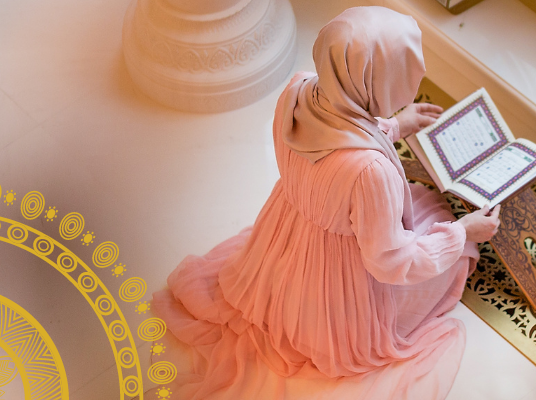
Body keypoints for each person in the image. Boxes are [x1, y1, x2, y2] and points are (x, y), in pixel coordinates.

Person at [151, 6, 501, 399]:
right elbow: (392, 262)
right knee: (451, 245)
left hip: (282, 241)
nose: (414, 75)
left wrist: (395, 125)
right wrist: (461, 233)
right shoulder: (370, 172)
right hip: (340, 284)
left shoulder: (298, 89)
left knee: (420, 209)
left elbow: (334, 135)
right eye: (402, 69)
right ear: (376, 79)